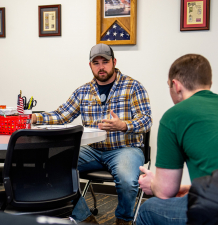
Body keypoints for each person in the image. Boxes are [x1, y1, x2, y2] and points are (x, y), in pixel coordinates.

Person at [32, 44, 152, 224]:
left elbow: (146, 120)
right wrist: (34, 117)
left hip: (125, 149)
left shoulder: (133, 87)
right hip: (93, 150)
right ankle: (85, 218)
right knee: (52, 167)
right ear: (90, 66)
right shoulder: (83, 91)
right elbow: (61, 115)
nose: (101, 66)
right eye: (96, 63)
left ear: (114, 62)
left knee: (127, 181)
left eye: (105, 61)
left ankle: (124, 220)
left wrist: (123, 125)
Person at [137, 54, 218, 225]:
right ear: (208, 84)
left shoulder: (174, 116)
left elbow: (165, 192)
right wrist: (193, 189)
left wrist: (152, 184)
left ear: (176, 85)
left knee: (148, 209)